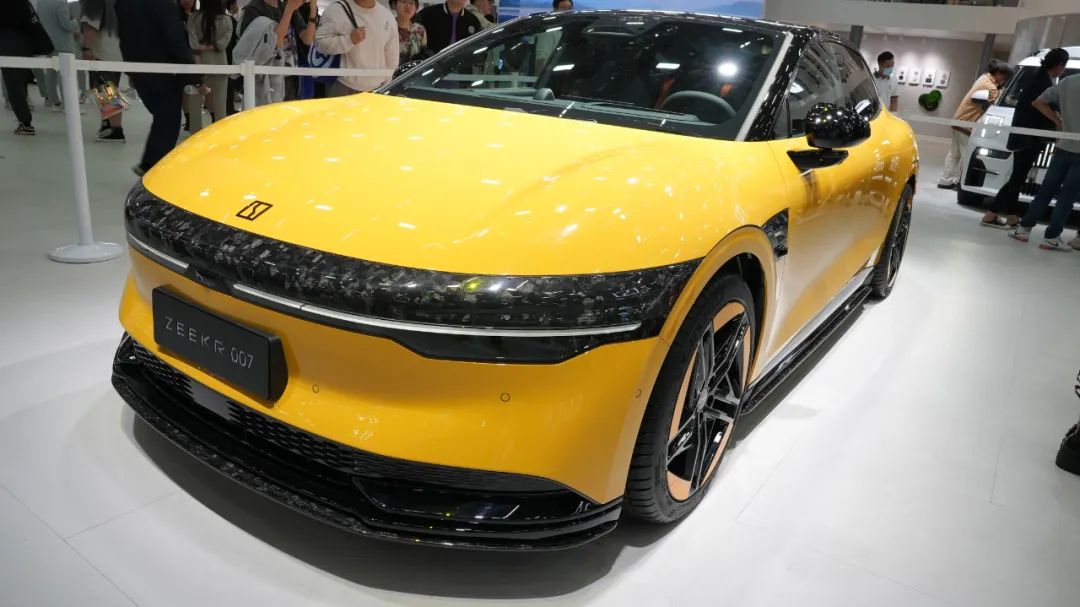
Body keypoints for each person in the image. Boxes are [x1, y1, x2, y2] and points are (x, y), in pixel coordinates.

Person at [114, 0, 208, 176]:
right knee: (167, 120)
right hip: (161, 72)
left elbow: (124, 38)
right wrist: (195, 77)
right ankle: (153, 168)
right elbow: (175, 42)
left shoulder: (124, 5)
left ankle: (114, 128)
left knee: (162, 117)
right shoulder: (164, 6)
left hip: (131, 66)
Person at [981, 49, 1069, 228]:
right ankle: (991, 214)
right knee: (1018, 178)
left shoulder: (1038, 77)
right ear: (1059, 64)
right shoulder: (1042, 82)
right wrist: (1057, 121)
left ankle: (1011, 216)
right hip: (1029, 137)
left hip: (1024, 135)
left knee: (1018, 177)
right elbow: (1038, 105)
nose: (1064, 69)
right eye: (1064, 65)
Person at [1010, 72, 1080, 251]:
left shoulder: (1068, 82)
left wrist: (1058, 122)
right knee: (1067, 196)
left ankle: (1024, 228)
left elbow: (1038, 102)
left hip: (1064, 145)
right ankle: (1052, 237)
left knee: (1045, 191)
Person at [938, 59, 1013, 190]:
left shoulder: (983, 78)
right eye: (1005, 77)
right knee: (966, 155)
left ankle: (945, 180)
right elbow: (994, 106)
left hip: (959, 120)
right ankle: (961, 183)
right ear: (998, 73)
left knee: (954, 154)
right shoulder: (990, 87)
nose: (1004, 80)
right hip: (967, 123)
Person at [315, 0, 399, 97]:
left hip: (377, 88)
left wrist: (387, 83)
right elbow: (319, 42)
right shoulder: (337, 10)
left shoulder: (387, 16)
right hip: (343, 86)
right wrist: (349, 40)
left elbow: (392, 56)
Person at [240, 0, 316, 105]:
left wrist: (313, 9)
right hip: (264, 78)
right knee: (267, 113)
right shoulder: (254, 9)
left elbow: (308, 39)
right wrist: (289, 9)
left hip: (289, 76)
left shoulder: (286, 6)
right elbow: (274, 43)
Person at [81, 0, 126, 142]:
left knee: (106, 90)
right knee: (111, 89)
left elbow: (91, 25)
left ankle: (115, 129)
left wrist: (86, 48)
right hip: (118, 50)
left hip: (102, 52)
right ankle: (108, 125)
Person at [0, 0, 46, 135]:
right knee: (21, 82)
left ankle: (25, 122)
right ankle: (25, 118)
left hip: (8, 47)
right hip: (25, 46)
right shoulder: (23, 3)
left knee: (13, 86)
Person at [186, 0, 233, 131]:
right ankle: (219, 136)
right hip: (220, 65)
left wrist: (201, 47)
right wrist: (213, 46)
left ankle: (195, 135)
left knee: (195, 105)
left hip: (198, 64)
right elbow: (223, 44)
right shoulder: (227, 20)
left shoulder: (193, 18)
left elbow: (193, 44)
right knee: (220, 106)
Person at [38, 0, 81, 112]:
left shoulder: (41, 2)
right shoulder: (61, 3)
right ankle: (67, 106)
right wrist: (75, 22)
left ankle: (51, 100)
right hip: (63, 44)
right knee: (66, 76)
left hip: (48, 42)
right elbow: (66, 24)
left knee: (51, 73)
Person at [415, 0, 483, 55]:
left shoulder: (473, 20)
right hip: (432, 65)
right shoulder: (427, 14)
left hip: (463, 65)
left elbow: (478, 47)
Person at [391, 0, 428, 65]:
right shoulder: (388, 29)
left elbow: (424, 53)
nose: (408, 6)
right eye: (403, 2)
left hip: (414, 70)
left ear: (416, 8)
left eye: (411, 3)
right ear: (394, 5)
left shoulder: (420, 30)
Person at [225, 0, 241, 114]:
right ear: (231, 6)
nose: (237, 6)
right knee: (228, 85)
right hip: (230, 54)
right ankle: (229, 109)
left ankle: (229, 108)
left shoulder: (230, 19)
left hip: (227, 54)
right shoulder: (230, 20)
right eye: (236, 4)